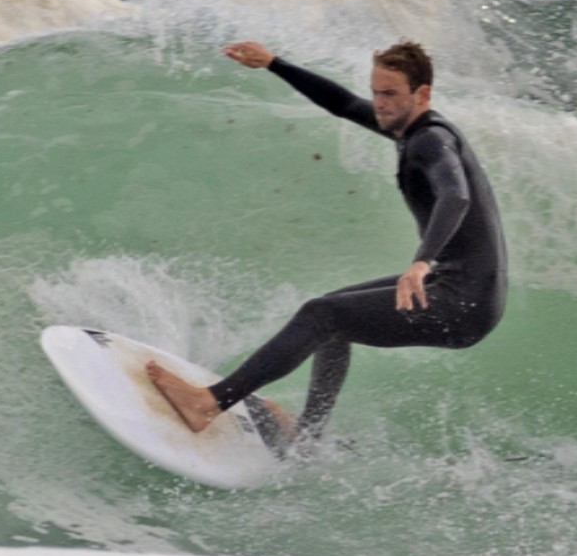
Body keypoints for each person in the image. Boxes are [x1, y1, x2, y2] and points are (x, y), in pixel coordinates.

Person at [143, 38, 507, 449]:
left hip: (462, 303)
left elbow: (455, 196)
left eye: (390, 94)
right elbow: (344, 104)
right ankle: (309, 437)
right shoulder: (408, 127)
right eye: (376, 91)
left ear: (421, 94)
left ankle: (208, 403)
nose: (379, 103)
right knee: (332, 315)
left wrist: (422, 262)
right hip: (462, 291)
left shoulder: (430, 140)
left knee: (321, 315)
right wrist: (274, 63)